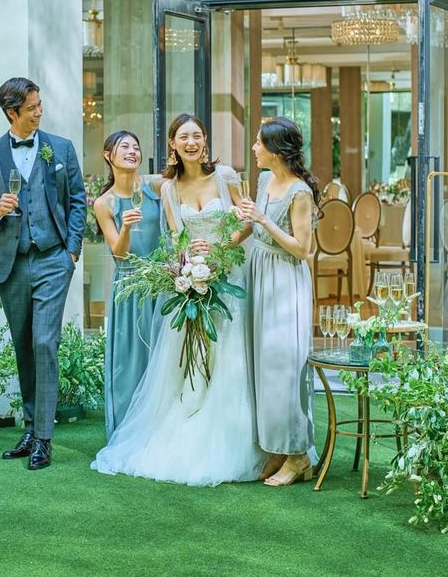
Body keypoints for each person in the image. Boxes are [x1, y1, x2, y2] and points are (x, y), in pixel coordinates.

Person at [92, 114, 265, 486]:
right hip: (194, 278)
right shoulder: (168, 188)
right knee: (195, 360)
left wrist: (221, 247)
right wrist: (189, 264)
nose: (191, 143)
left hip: (229, 275)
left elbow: (248, 221)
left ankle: (239, 438)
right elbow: (176, 237)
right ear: (172, 144)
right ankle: (194, 432)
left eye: (197, 136)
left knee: (232, 357)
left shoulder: (226, 177)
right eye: (183, 137)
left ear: (205, 141)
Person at [0, 77, 86, 471]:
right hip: (13, 262)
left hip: (53, 258)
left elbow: (78, 200)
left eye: (40, 105)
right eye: (32, 107)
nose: (40, 112)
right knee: (23, 345)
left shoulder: (61, 148)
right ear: (12, 112)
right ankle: (31, 427)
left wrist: (72, 250)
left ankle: (44, 438)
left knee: (44, 343)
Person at [239, 117, 318, 486]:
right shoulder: (263, 180)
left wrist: (264, 221)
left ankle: (298, 455)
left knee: (284, 369)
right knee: (263, 366)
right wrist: (219, 246)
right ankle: (275, 449)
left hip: (285, 281)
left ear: (275, 150)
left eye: (259, 143)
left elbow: (302, 249)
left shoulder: (300, 193)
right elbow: (250, 226)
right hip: (259, 274)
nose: (254, 148)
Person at [93, 131, 163, 438]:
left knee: (161, 358)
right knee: (131, 360)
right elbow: (119, 254)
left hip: (162, 283)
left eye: (136, 146)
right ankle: (130, 432)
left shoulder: (155, 186)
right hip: (130, 285)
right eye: (125, 146)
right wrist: (126, 228)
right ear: (108, 155)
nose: (132, 151)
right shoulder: (104, 203)